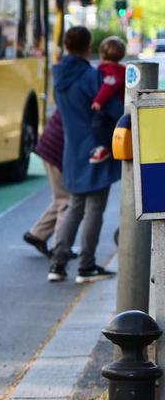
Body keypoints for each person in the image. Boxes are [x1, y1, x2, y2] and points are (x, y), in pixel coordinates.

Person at [47, 25, 120, 283]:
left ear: (66, 46)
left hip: (73, 151)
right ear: (87, 47)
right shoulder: (90, 77)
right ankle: (87, 265)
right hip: (97, 150)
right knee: (94, 209)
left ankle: (57, 263)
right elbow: (114, 109)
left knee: (74, 208)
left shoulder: (59, 78)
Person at [23, 111, 66, 258]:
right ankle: (59, 248)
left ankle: (38, 234)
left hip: (50, 147)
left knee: (61, 197)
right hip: (57, 151)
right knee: (66, 201)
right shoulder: (90, 93)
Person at [88, 36, 126, 164]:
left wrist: (98, 101)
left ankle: (103, 148)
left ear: (102, 54)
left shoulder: (110, 70)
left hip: (113, 107)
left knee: (98, 125)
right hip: (120, 106)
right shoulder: (122, 69)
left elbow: (109, 84)